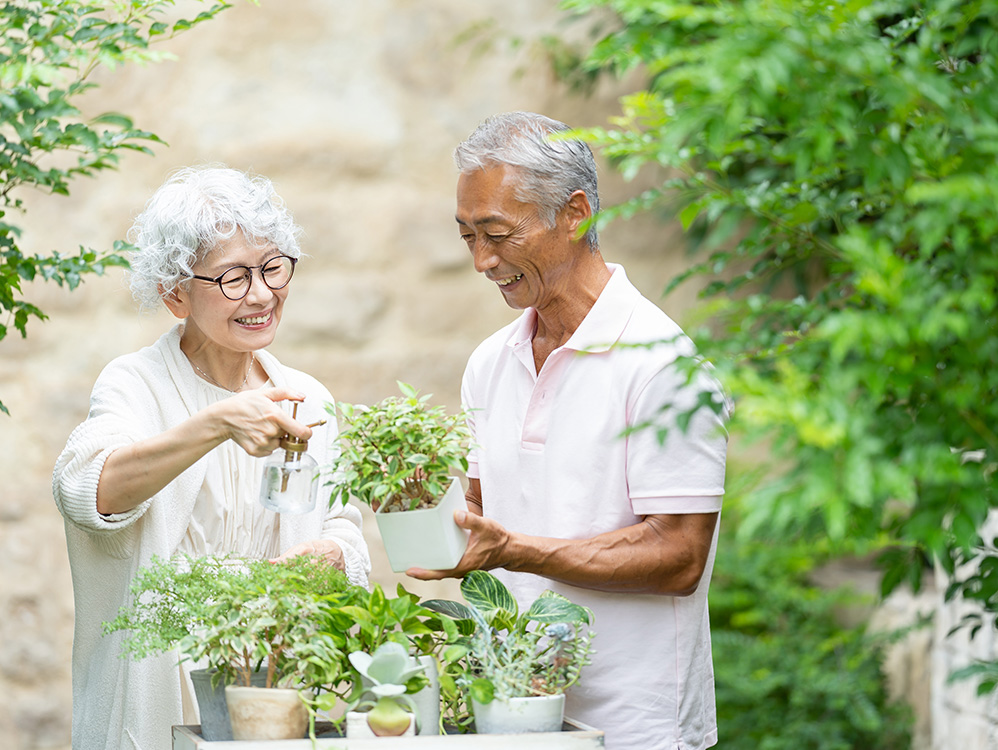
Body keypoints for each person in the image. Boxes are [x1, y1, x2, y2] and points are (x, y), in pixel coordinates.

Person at [409, 112, 729, 750]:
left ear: (575, 212)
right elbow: (483, 512)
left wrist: (515, 550)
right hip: (510, 715)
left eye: (497, 233)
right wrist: (420, 498)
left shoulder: (664, 363)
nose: (481, 260)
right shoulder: (489, 362)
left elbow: (679, 558)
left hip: (636, 726)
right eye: (467, 236)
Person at [52, 166, 371, 750]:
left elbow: (345, 536)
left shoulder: (309, 396)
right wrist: (219, 422)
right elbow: (86, 491)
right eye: (231, 277)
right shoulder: (136, 385)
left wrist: (331, 557)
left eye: (272, 267)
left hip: (271, 680)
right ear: (176, 294)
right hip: (161, 680)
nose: (262, 294)